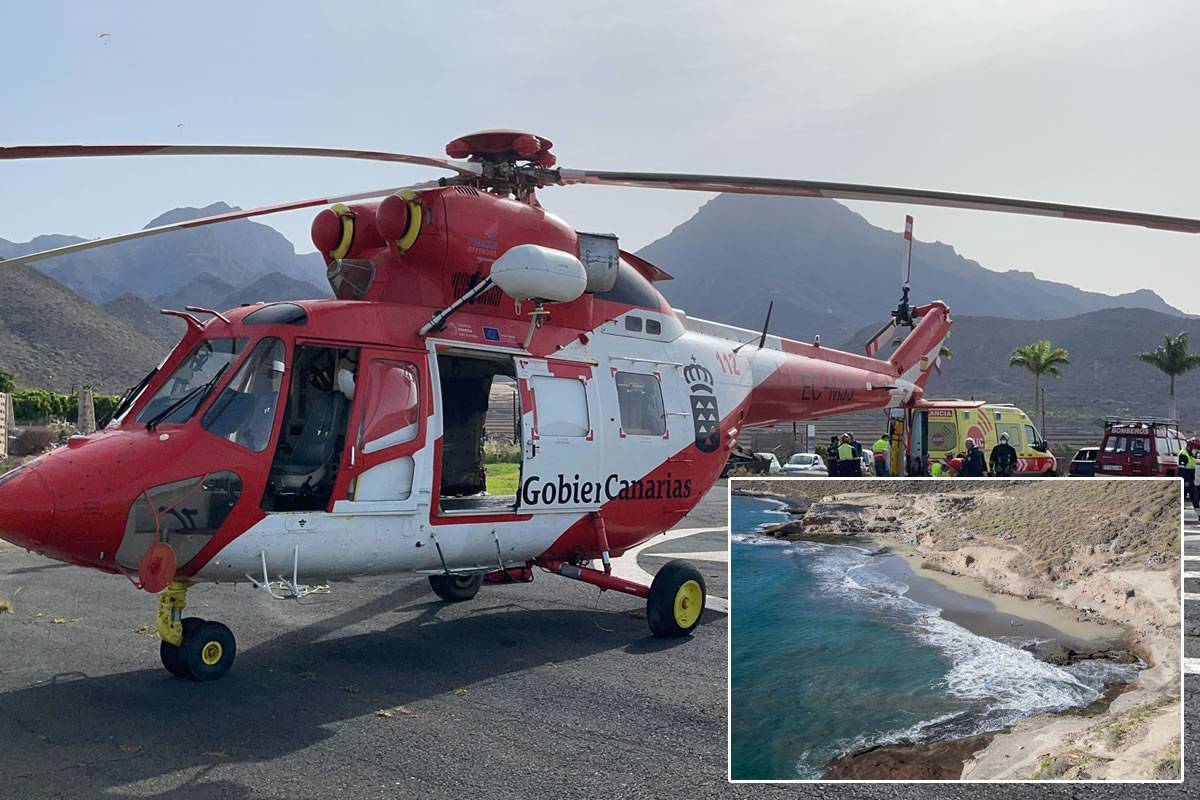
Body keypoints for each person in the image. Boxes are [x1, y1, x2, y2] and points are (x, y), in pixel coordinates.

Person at [1181, 437, 1199, 515]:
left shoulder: (1191, 454)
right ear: (1190, 447)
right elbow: (1181, 471)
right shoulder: (1183, 455)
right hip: (1185, 481)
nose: (1197, 451)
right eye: (1196, 448)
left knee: (1195, 500)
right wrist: (1185, 481)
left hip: (1191, 481)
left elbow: (1194, 463)